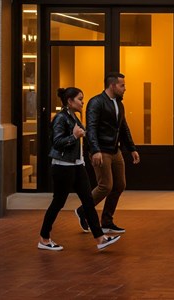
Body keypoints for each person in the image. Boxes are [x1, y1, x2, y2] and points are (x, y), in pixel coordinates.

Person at [37, 87, 121, 252]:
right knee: (58, 202)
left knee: (88, 202)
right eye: (80, 99)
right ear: (69, 101)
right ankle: (44, 238)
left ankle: (100, 239)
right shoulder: (61, 118)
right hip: (62, 167)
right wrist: (74, 136)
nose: (83, 102)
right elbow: (57, 142)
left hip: (77, 165)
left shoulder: (73, 116)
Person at [81, 72, 139, 235]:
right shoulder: (96, 102)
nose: (125, 88)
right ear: (112, 85)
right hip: (101, 151)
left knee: (119, 185)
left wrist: (132, 148)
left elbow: (123, 127)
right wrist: (95, 150)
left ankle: (107, 221)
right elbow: (90, 128)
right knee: (105, 186)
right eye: (122, 85)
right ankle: (83, 211)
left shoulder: (119, 104)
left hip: (115, 150)